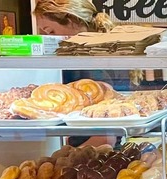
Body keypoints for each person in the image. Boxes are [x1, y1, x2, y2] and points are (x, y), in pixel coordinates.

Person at [34, 0, 118, 147]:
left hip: (96, 158)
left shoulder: (91, 64)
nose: (49, 38)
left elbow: (106, 138)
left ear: (71, 20)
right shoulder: (80, 58)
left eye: (50, 32)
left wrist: (69, 155)